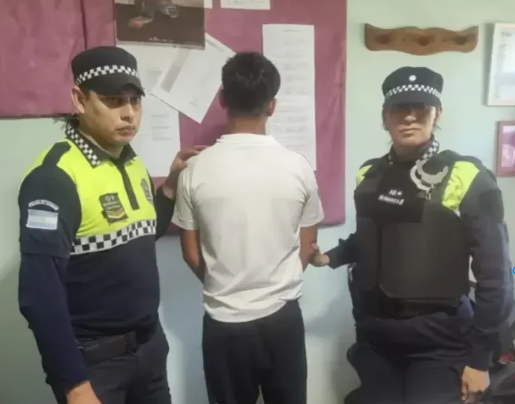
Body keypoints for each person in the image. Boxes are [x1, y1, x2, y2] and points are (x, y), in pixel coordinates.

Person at [312, 67, 515, 404]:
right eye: (398, 108)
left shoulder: (467, 176)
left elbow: (497, 276)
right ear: (384, 117)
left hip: (440, 339)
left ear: (437, 114)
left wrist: (481, 359)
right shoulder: (370, 174)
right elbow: (372, 238)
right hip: (375, 335)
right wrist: (330, 257)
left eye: (421, 108)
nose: (409, 117)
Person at [17, 46, 204, 404]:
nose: (129, 114)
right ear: (79, 99)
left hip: (149, 350)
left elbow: (142, 234)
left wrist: (169, 187)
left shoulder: (133, 164)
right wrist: (75, 386)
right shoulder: (54, 177)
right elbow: (40, 294)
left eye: (135, 101)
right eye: (113, 101)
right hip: (95, 365)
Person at [171, 51, 325, 404]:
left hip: (223, 323)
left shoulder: (194, 169)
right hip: (283, 319)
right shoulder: (298, 167)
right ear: (272, 105)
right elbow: (307, 244)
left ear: (222, 99)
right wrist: (275, 284)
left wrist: (227, 286)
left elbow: (191, 254)